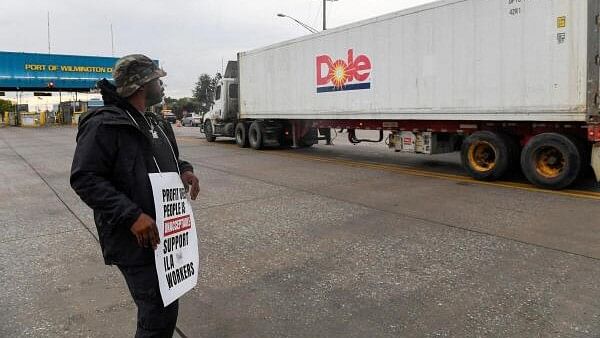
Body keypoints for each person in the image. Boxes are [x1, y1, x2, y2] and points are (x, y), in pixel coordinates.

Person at [70, 54, 200, 338]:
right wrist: (131, 215)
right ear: (141, 85)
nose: (162, 85)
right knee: (156, 314)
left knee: (166, 306)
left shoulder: (155, 122)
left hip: (165, 234)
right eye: (157, 79)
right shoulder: (105, 124)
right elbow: (85, 178)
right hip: (135, 239)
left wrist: (185, 171)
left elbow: (171, 161)